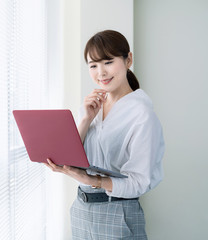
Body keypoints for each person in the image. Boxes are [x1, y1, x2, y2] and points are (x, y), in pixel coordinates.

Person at [44, 30, 164, 239]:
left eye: (108, 62)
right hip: (81, 210)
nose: (101, 72)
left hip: (117, 213)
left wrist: (91, 179)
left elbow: (139, 182)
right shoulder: (92, 107)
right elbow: (69, 157)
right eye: (93, 65)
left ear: (128, 60)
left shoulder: (142, 114)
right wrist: (85, 120)